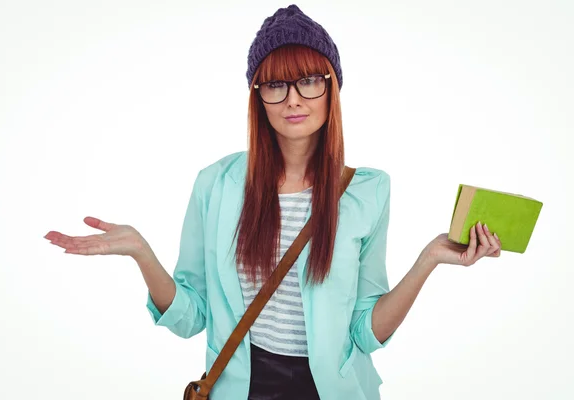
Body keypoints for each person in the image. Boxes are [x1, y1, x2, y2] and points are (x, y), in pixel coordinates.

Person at [44, 4, 502, 399]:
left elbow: (365, 332)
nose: (293, 99)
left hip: (333, 390)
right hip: (240, 387)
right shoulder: (217, 185)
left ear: (332, 89)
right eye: (275, 85)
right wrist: (142, 253)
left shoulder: (368, 190)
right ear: (258, 97)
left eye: (308, 80)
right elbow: (191, 318)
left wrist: (428, 261)